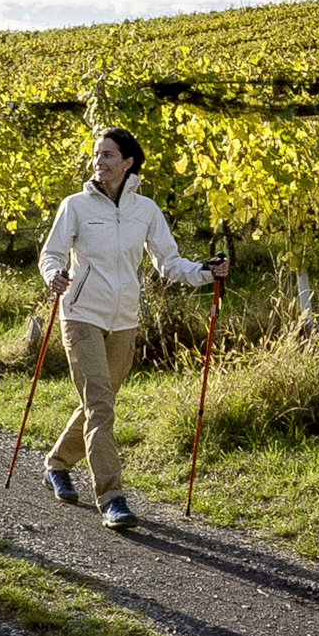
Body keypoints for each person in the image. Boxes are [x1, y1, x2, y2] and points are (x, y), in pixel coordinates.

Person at [36, 125, 219, 528]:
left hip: (124, 319)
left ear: (128, 162)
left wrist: (205, 272)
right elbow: (50, 254)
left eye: (107, 155)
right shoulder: (76, 206)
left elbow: (168, 263)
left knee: (98, 403)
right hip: (81, 313)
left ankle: (57, 463)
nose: (98, 163)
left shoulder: (146, 211)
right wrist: (54, 275)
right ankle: (112, 498)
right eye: (97, 155)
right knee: (100, 405)